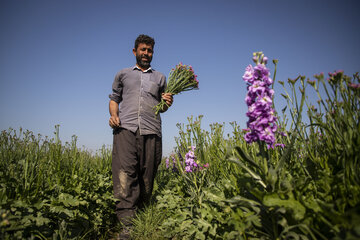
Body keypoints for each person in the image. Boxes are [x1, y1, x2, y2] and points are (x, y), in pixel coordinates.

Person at [108, 34, 173, 238]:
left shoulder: (160, 78)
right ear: (134, 51)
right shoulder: (123, 74)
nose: (146, 53)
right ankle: (127, 225)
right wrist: (113, 115)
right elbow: (114, 99)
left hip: (151, 130)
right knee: (125, 174)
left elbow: (163, 108)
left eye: (150, 50)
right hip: (125, 129)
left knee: (148, 175)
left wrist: (168, 102)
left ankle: (143, 212)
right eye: (143, 49)